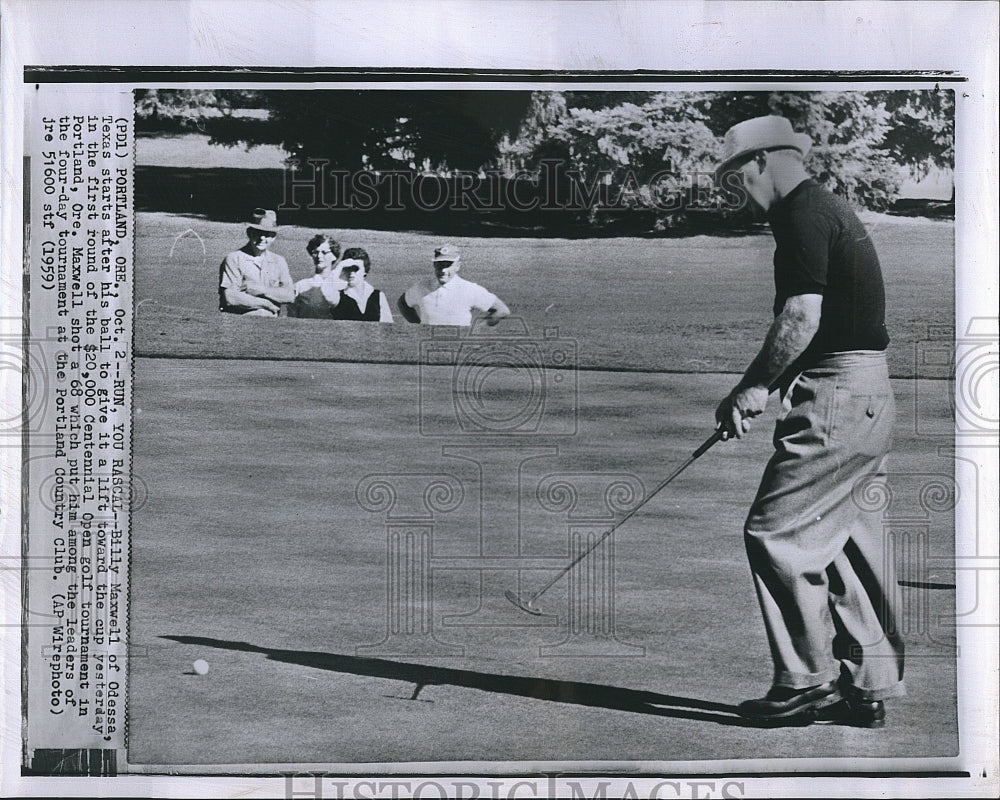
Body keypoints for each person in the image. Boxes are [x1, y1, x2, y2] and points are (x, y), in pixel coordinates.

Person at [712, 116, 903, 728]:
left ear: (765, 160)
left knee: (776, 532)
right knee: (841, 542)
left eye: (736, 173)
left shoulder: (798, 213)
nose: (735, 186)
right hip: (869, 393)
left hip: (837, 396)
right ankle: (866, 683)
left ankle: (806, 680)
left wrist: (752, 388)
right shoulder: (830, 208)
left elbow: (801, 315)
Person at [398, 245, 510, 326]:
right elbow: (402, 303)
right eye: (439, 265)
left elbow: (502, 310)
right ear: (434, 265)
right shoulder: (421, 287)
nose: (443, 270)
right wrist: (417, 326)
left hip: (458, 345)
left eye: (448, 265)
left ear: (458, 266)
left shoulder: (469, 289)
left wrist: (478, 328)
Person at [218, 208, 295, 316]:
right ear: (249, 233)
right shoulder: (234, 258)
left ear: (274, 237)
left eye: (267, 234)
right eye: (258, 233)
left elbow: (289, 295)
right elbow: (230, 297)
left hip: (271, 324)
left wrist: (261, 290)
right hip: (240, 322)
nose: (262, 238)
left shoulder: (279, 261)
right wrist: (266, 304)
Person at [288, 233, 347, 319]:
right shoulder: (300, 286)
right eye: (316, 252)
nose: (319, 256)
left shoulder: (343, 286)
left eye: (324, 252)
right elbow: (291, 317)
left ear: (334, 256)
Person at [329, 247, 394, 322]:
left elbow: (388, 326)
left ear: (365, 271)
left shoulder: (378, 296)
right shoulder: (338, 296)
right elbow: (326, 290)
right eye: (348, 269)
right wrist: (340, 266)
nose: (351, 273)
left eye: (356, 269)